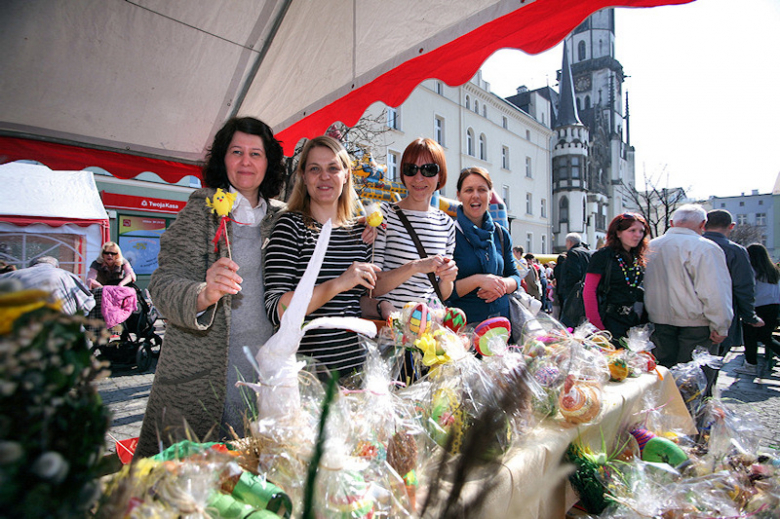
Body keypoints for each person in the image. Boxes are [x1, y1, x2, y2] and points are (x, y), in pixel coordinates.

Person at [136, 117, 287, 457]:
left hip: (265, 372)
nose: (246, 162)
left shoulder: (281, 217)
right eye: (237, 152)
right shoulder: (202, 210)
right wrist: (203, 293)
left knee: (255, 477)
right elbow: (163, 283)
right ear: (223, 158)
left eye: (256, 154)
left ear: (269, 163)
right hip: (204, 372)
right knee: (194, 484)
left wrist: (361, 232)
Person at [264, 136, 380, 378]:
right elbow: (277, 309)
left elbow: (358, 302)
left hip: (356, 371)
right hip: (305, 377)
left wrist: (386, 307)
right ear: (303, 177)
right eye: (315, 169)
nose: (324, 176)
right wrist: (337, 284)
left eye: (333, 168)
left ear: (346, 175)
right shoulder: (290, 226)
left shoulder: (359, 233)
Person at [644, 204, 733, 368]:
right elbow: (715, 292)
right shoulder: (706, 247)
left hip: (658, 320)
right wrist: (721, 326)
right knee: (693, 381)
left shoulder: (649, 247)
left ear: (671, 223)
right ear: (702, 225)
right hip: (696, 324)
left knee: (663, 376)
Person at [373, 138, 458, 310]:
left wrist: (448, 278)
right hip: (392, 327)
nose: (418, 178)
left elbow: (443, 293)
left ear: (440, 175)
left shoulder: (447, 224)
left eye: (429, 170)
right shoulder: (385, 215)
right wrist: (415, 267)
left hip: (429, 329)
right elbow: (374, 287)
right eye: (411, 169)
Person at [445, 167, 521, 324]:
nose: (475, 196)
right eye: (468, 190)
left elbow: (514, 276)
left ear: (490, 194)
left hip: (501, 329)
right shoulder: (449, 234)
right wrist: (478, 280)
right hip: (463, 332)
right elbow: (442, 290)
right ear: (459, 195)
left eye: (482, 190)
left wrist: (502, 285)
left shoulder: (501, 234)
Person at [703, 210, 763, 383]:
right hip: (723, 316)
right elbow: (744, 286)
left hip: (687, 316)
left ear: (703, 225)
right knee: (712, 366)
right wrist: (749, 315)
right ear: (731, 226)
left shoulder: (691, 246)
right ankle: (704, 404)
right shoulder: (735, 251)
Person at [583, 212, 650, 342]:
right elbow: (589, 291)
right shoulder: (603, 255)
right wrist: (598, 328)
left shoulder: (636, 257)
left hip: (630, 321)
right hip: (607, 320)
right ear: (618, 233)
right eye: (632, 230)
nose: (638, 235)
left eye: (641, 231)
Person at [0, 256, 95, 315]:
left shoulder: (11, 276)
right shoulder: (66, 275)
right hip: (59, 331)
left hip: (17, 333)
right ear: (56, 267)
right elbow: (88, 305)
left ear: (31, 266)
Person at [739, 243, 780, 376]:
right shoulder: (773, 270)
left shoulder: (751, 270)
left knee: (749, 336)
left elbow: (749, 290)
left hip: (757, 306)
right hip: (773, 306)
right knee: (766, 337)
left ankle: (750, 364)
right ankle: (751, 364)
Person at [557, 232, 592, 327]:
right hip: (586, 288)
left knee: (568, 319)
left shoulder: (573, 253)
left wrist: (565, 287)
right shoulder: (588, 252)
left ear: (569, 242)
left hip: (573, 291)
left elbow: (574, 273)